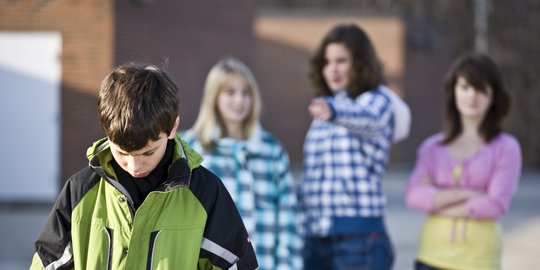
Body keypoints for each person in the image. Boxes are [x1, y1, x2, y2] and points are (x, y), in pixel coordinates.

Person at [29, 63, 258, 269]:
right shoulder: (79, 191)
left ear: (173, 128)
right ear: (106, 133)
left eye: (148, 152)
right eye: (122, 153)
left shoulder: (205, 193)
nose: (134, 166)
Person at [298, 23, 405, 270]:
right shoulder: (324, 112)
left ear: (360, 63)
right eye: (327, 62)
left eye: (341, 61)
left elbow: (369, 120)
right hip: (315, 237)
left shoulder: (378, 100)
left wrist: (334, 111)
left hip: (358, 238)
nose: (332, 69)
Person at [182, 58, 303, 270]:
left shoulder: (272, 150)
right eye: (230, 92)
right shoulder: (190, 150)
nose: (240, 101)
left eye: (246, 93)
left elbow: (288, 221)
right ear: (214, 96)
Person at [405, 53, 522, 270]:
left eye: (480, 89)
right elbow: (414, 195)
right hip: (431, 256)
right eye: (465, 87)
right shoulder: (433, 148)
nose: (472, 96)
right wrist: (466, 195)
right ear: (453, 91)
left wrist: (438, 202)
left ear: (494, 95)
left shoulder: (506, 147)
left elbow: (495, 204)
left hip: (479, 260)